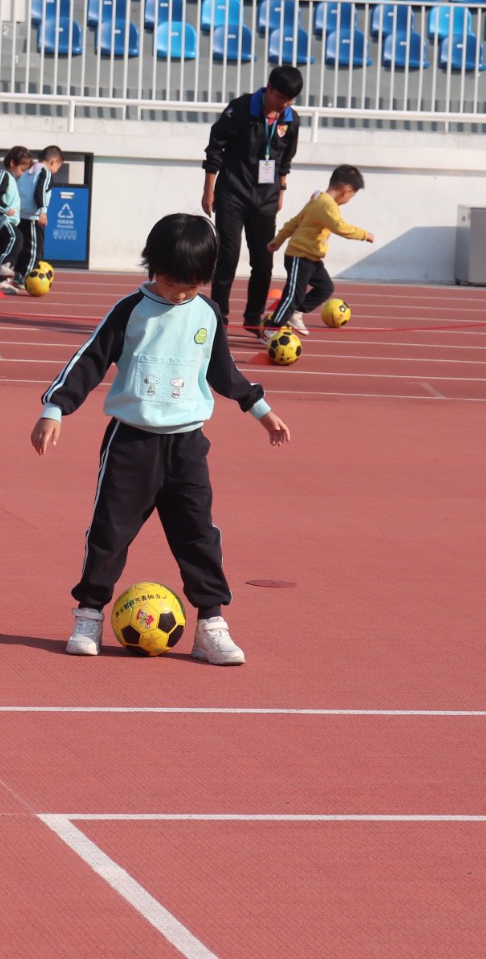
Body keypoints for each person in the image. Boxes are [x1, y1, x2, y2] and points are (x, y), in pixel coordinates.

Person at [31, 213, 292, 665]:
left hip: (187, 446)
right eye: (172, 282)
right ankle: (89, 613)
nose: (181, 293)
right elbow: (89, 359)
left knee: (198, 535)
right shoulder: (131, 310)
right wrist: (55, 408)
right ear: (153, 266)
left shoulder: (206, 313)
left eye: (192, 285)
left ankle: (211, 624)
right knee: (109, 533)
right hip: (131, 445)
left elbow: (223, 371)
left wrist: (260, 409)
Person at [201, 66, 303, 335]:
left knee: (264, 262)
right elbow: (215, 147)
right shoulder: (241, 108)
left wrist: (281, 191)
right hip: (232, 194)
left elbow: (285, 159)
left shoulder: (290, 120)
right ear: (269, 88)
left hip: (266, 199)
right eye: (280, 98)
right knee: (228, 257)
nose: (284, 105)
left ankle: (254, 317)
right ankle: (219, 317)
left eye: (290, 101)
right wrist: (209, 189)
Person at [265, 164, 373, 335]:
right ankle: (272, 328)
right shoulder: (326, 205)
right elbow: (339, 227)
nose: (349, 200)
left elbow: (295, 221)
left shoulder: (318, 199)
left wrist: (278, 241)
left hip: (312, 258)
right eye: (352, 196)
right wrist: (364, 235)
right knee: (293, 295)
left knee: (325, 288)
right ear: (346, 191)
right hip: (299, 256)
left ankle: (296, 312)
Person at [15, 145, 64, 283]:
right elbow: (40, 191)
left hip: (21, 214)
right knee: (35, 250)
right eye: (58, 167)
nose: (56, 170)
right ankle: (26, 277)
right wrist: (43, 211)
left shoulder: (28, 171)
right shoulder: (45, 172)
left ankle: (18, 274)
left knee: (24, 248)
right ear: (53, 161)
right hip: (33, 216)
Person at [0, 146, 33, 291]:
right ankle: (1, 266)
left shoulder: (12, 179)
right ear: (13, 163)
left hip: (9, 220)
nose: (22, 174)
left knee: (7, 244)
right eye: (22, 169)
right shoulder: (3, 175)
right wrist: (5, 209)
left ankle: (1, 281)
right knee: (16, 237)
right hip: (2, 219)